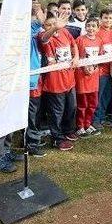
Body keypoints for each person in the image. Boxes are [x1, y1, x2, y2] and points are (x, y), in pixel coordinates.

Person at [0, 3, 24, 173]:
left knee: (9, 120)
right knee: (0, 122)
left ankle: (6, 151)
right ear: (0, 18)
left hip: (12, 82)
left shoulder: (10, 34)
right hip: (1, 85)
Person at [39, 10, 79, 150]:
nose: (51, 26)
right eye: (48, 25)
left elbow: (73, 44)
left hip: (69, 79)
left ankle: (68, 130)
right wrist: (55, 28)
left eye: (53, 23)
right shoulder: (44, 36)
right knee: (57, 112)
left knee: (72, 107)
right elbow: (44, 38)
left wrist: (76, 57)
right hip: (54, 83)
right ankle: (57, 138)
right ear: (44, 26)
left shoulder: (65, 32)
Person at [75, 17, 102, 136]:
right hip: (82, 76)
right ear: (85, 27)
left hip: (94, 77)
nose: (90, 28)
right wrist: (84, 67)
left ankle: (88, 124)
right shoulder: (80, 40)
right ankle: (80, 126)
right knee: (82, 103)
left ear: (97, 28)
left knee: (93, 103)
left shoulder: (99, 40)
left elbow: (101, 57)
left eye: (93, 26)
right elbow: (77, 57)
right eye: (88, 25)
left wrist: (94, 67)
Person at [91, 9, 112, 130]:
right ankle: (94, 120)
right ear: (101, 19)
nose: (108, 20)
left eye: (110, 18)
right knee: (98, 95)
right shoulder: (96, 32)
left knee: (107, 95)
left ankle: (101, 117)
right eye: (105, 18)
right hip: (99, 71)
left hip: (110, 69)